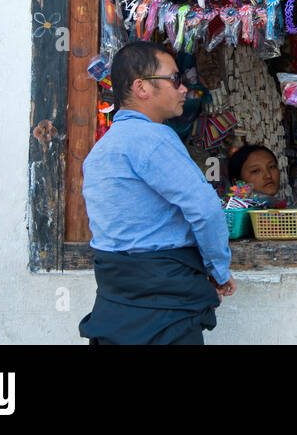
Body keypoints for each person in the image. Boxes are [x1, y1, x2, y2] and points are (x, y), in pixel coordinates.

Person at [79, 40, 236, 345]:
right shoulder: (153, 139)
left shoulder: (100, 151)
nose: (184, 89)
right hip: (162, 308)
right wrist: (218, 269)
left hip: (116, 302)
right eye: (175, 79)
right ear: (142, 88)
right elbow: (205, 210)